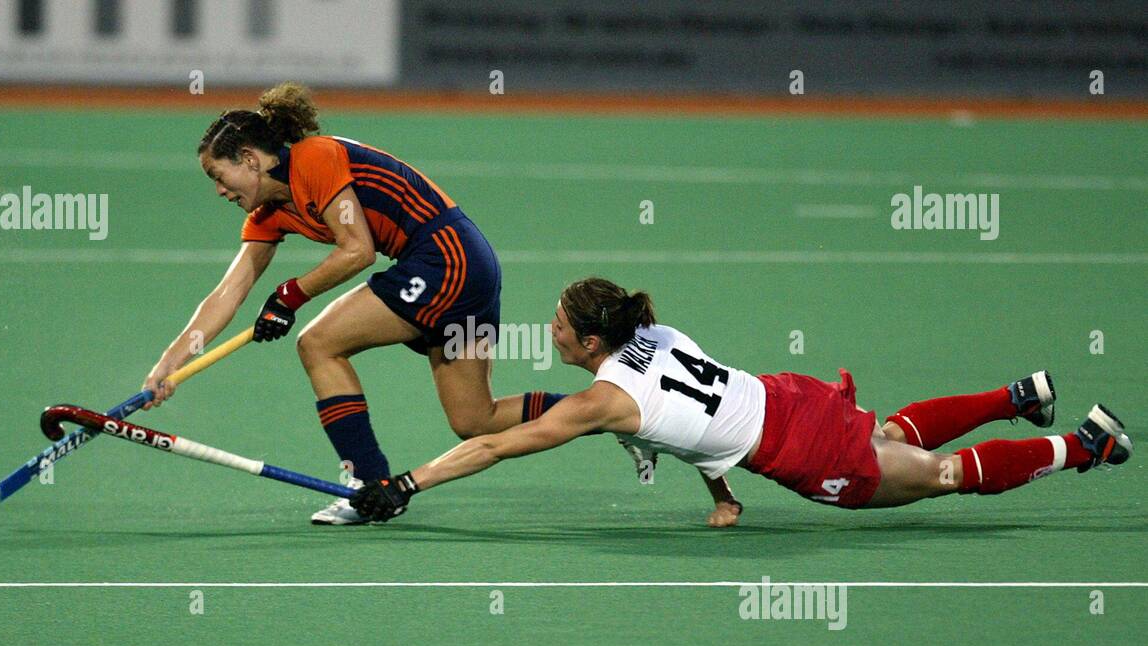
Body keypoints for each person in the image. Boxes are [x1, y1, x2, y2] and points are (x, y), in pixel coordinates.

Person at [350, 277, 1133, 524]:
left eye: (558, 325)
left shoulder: (601, 401)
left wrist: (409, 481)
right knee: (889, 429)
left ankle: (1082, 445)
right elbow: (693, 425)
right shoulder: (654, 334)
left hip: (799, 450)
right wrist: (723, 495)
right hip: (790, 397)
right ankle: (1014, 396)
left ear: (592, 343)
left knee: (935, 474)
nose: (548, 330)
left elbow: (490, 444)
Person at [141, 82, 565, 524]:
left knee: (318, 343)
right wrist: (168, 364)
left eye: (218, 176)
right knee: (475, 419)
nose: (219, 191)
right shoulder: (268, 214)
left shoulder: (315, 158)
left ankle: (368, 484)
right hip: (463, 265)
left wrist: (289, 296)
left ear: (249, 159)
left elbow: (357, 249)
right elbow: (228, 294)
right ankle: (608, 408)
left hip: (445, 257)